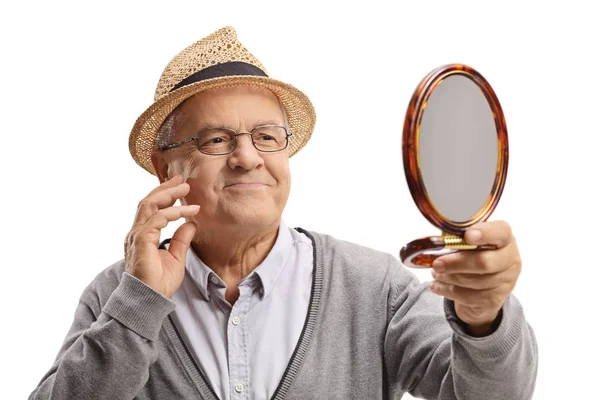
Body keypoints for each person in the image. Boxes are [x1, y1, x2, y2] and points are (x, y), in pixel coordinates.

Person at [29, 26, 538, 400]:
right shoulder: (116, 296)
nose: (248, 157)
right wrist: (137, 305)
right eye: (217, 139)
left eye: (267, 137)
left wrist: (482, 317)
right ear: (167, 169)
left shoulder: (371, 284)